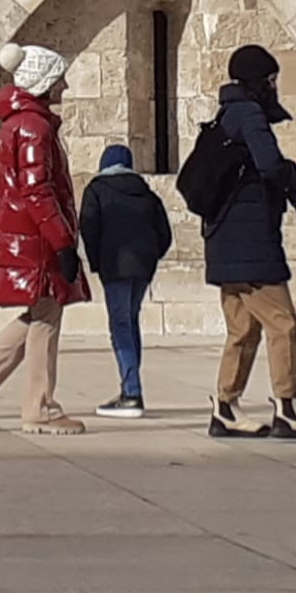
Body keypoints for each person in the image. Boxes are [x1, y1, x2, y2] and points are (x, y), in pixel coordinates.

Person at [0, 42, 90, 436]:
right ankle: (39, 408)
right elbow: (37, 190)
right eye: (58, 77)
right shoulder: (33, 125)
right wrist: (62, 242)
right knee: (46, 314)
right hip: (37, 239)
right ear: (43, 82)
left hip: (28, 235)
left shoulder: (23, 123)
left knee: (42, 312)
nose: (64, 85)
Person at [205, 45, 296, 441]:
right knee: (283, 323)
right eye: (272, 79)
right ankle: (288, 408)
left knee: (242, 328)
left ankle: (225, 407)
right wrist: (293, 180)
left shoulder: (227, 114)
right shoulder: (250, 114)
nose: (276, 86)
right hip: (250, 242)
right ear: (260, 81)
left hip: (223, 238)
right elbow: (270, 164)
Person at [80, 142, 172, 418]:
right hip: (142, 267)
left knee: (120, 326)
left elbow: (89, 227)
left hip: (115, 266)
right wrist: (151, 257)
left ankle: (132, 393)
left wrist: (98, 263)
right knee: (131, 322)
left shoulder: (96, 190)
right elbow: (164, 234)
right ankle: (129, 387)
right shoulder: (147, 194)